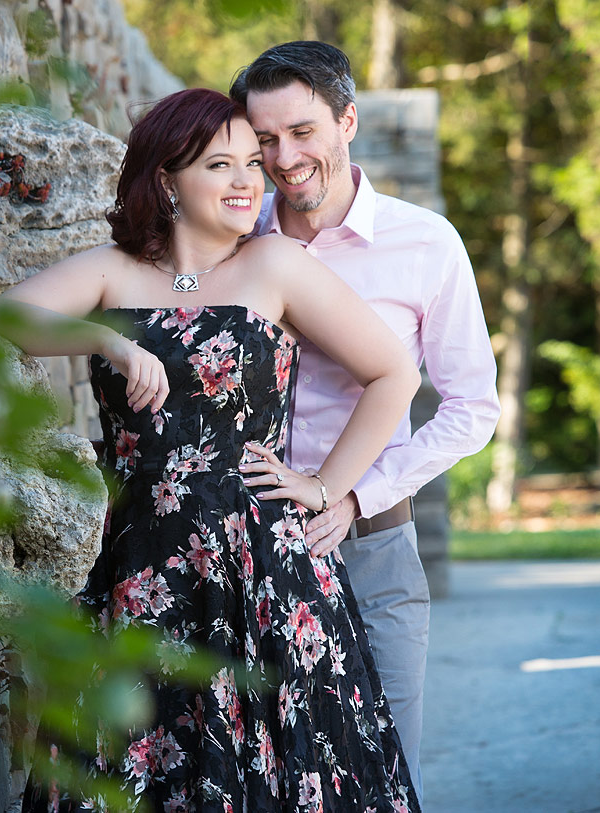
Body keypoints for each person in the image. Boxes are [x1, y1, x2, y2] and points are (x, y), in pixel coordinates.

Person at [0, 87, 422, 812]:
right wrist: (103, 338)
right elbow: (2, 319)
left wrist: (326, 486)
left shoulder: (275, 265)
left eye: (251, 164)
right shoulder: (114, 271)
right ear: (166, 179)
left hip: (263, 565)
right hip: (141, 560)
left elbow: (395, 373)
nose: (246, 182)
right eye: (220, 165)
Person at [230, 41, 503, 800]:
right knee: (264, 778)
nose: (285, 157)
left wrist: (356, 494)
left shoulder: (427, 244)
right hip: (243, 548)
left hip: (373, 543)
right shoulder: (233, 234)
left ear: (347, 121)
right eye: (264, 140)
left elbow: (473, 407)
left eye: (304, 131)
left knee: (385, 775)